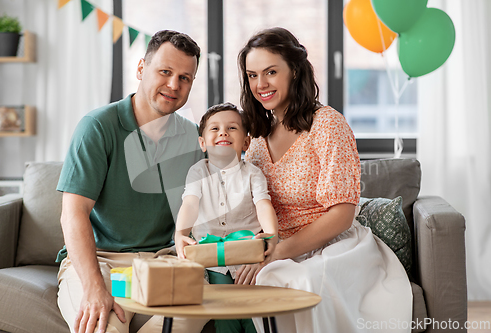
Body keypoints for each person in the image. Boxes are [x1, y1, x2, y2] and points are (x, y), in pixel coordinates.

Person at [238, 27, 412, 333]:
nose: (260, 84)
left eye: (270, 72)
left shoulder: (327, 124)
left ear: (294, 70)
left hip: (333, 246)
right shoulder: (257, 138)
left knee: (304, 281)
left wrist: (276, 251)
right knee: (261, 280)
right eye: (252, 75)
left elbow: (342, 215)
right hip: (279, 247)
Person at [56, 30, 209, 333]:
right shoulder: (97, 127)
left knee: (188, 316)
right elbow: (73, 213)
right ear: (141, 69)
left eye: (185, 78)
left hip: (167, 261)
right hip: (101, 261)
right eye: (165, 72)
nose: (173, 85)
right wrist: (93, 287)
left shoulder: (195, 138)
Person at [174, 102, 278, 333]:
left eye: (232, 128)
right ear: (202, 143)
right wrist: (180, 234)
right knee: (223, 314)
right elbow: (190, 204)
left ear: (246, 142)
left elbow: (263, 205)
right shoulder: (198, 172)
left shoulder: (253, 173)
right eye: (215, 129)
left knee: (252, 315)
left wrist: (272, 236)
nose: (223, 132)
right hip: (212, 258)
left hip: (247, 256)